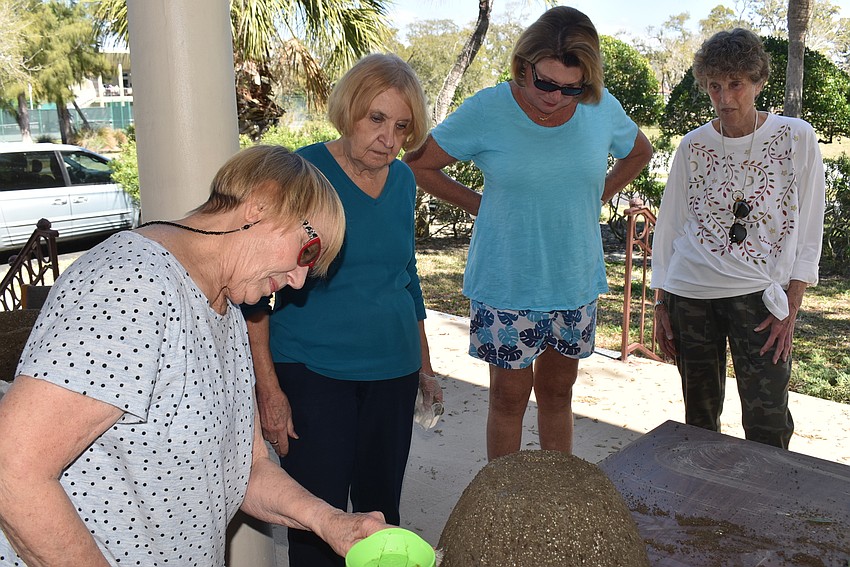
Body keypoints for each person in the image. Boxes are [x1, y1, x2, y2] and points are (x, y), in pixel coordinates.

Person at [0, 145, 390, 566]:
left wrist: (331, 522)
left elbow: (244, 470)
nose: (298, 281)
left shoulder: (227, 308)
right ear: (261, 204)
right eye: (307, 252)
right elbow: (13, 469)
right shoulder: (132, 284)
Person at [403, 6, 652, 460]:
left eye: (571, 88)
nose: (556, 97)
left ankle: (553, 497)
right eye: (545, 83)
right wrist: (482, 205)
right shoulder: (488, 109)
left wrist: (595, 194)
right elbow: (420, 164)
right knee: (508, 399)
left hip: (574, 281)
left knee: (558, 395)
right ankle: (501, 508)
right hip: (507, 282)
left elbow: (639, 152)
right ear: (523, 67)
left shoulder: (600, 108)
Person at [243, 53, 441, 567]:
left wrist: (423, 360)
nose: (389, 138)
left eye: (402, 126)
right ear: (348, 111)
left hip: (392, 372)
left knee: (381, 518)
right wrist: (268, 387)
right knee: (316, 523)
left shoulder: (403, 181)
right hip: (312, 373)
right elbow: (259, 289)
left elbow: (406, 273)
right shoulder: (300, 174)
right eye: (376, 119)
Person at [651, 29, 825, 449]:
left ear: (759, 82)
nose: (725, 97)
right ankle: (700, 507)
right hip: (690, 293)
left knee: (767, 421)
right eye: (714, 85)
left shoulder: (796, 137)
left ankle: (766, 511)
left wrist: (794, 302)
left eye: (736, 84)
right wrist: (661, 300)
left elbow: (810, 223)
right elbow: (670, 224)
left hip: (761, 300)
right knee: (699, 418)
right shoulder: (693, 145)